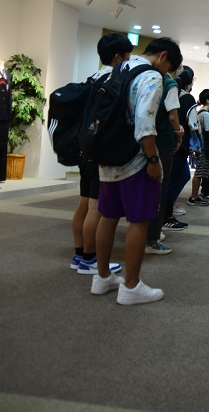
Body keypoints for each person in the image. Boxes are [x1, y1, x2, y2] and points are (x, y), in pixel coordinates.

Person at [92, 37, 183, 305]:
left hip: (107, 153)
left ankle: (102, 277)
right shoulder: (151, 76)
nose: (166, 74)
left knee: (108, 216)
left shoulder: (117, 68)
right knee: (139, 220)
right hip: (135, 158)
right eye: (169, 68)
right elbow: (144, 121)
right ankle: (131, 286)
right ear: (163, 56)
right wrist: (153, 159)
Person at [71, 33, 131, 275]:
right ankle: (89, 259)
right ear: (118, 57)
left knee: (83, 203)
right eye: (127, 56)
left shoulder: (92, 78)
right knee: (96, 208)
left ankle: (79, 255)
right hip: (99, 151)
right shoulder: (113, 80)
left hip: (84, 146)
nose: (128, 61)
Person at [143, 63, 183, 253]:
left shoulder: (142, 77)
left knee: (144, 189)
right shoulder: (169, 83)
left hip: (141, 139)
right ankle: (152, 237)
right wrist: (179, 132)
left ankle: (143, 232)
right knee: (159, 189)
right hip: (162, 141)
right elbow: (173, 117)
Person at [164, 66, 195, 229]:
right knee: (172, 180)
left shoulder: (166, 90)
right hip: (178, 144)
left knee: (179, 176)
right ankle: (166, 215)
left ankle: (168, 207)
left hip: (167, 142)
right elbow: (192, 125)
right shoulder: (187, 98)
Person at [187, 89, 209, 205]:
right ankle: (194, 197)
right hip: (204, 147)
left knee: (200, 172)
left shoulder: (199, 112)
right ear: (208, 100)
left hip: (200, 146)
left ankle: (195, 196)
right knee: (199, 173)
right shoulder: (206, 114)